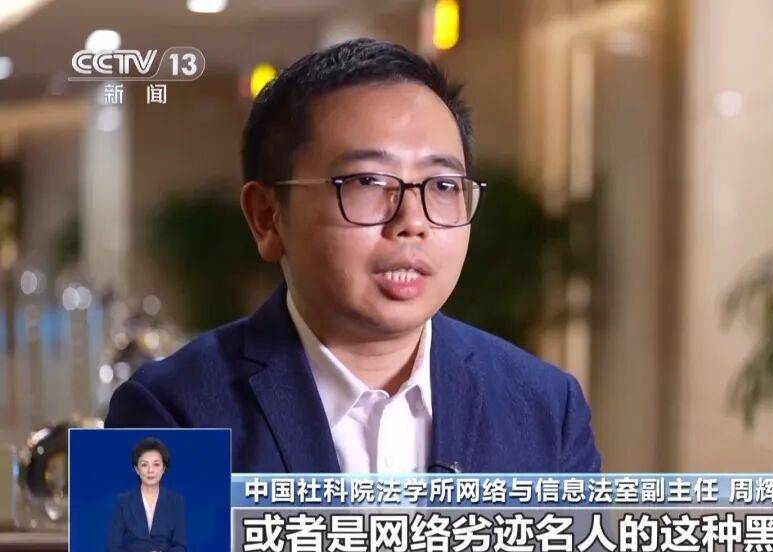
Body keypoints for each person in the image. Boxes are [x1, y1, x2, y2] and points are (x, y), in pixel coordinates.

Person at [104, 38, 601, 474]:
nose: (412, 220)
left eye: (443, 185)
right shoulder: (172, 412)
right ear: (267, 217)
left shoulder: (545, 409)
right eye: (367, 182)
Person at [107, 437, 186, 552]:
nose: (150, 470)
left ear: (164, 468)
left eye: (156, 464)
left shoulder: (175, 501)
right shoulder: (123, 501)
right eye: (144, 465)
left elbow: (180, 546)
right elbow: (113, 547)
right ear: (137, 469)